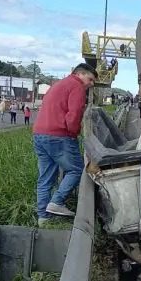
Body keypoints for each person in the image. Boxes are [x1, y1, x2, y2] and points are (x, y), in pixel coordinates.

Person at [33, 63, 97, 226]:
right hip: (59, 135)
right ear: (80, 74)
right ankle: (57, 202)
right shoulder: (76, 87)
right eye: (90, 79)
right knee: (76, 170)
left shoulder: (58, 85)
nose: (91, 84)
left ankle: (43, 218)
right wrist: (74, 133)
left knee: (45, 177)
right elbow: (74, 114)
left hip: (40, 134)